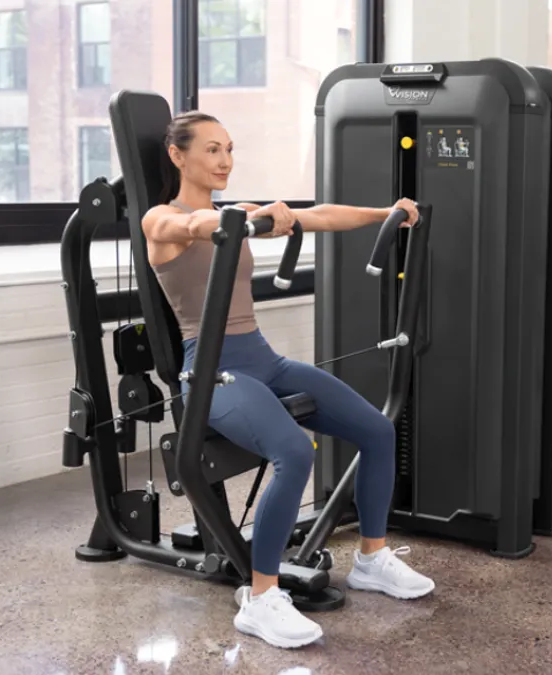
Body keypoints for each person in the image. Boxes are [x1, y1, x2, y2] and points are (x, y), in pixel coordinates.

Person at [141, 111, 434, 649]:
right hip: (210, 373)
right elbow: (189, 226)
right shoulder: (161, 219)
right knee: (295, 453)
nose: (225, 159)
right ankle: (261, 596)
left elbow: (319, 215)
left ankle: (371, 558)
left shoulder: (235, 213)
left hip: (261, 359)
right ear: (178, 155)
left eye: (229, 148)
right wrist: (237, 222)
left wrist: (387, 212)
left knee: (376, 429)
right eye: (211, 149)